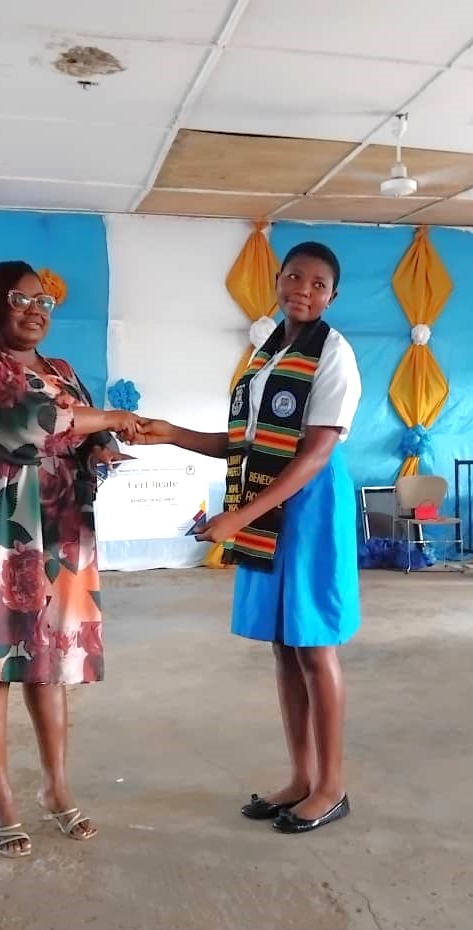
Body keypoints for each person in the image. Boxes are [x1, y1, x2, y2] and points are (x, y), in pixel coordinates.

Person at [135, 242, 361, 834]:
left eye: (318, 284)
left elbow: (314, 454)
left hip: (310, 504)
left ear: (332, 296)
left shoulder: (334, 354)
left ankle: (332, 787)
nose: (303, 290)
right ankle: (302, 777)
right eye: (295, 277)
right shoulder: (268, 352)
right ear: (278, 280)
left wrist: (238, 518)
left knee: (314, 643)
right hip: (269, 497)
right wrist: (172, 433)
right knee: (284, 645)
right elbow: (245, 443)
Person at [0, 261, 139, 858]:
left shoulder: (62, 370)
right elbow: (33, 422)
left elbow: (84, 433)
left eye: (43, 302)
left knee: (49, 659)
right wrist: (109, 419)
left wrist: (101, 448)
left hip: (60, 521)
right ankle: (0, 799)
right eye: (19, 299)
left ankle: (56, 790)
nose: (34, 311)